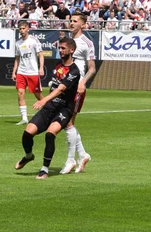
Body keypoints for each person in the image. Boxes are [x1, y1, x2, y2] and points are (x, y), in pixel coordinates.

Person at [16, 38, 81, 179]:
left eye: (64, 48)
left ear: (71, 50)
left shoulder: (75, 71)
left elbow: (61, 88)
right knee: (27, 133)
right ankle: (28, 156)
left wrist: (43, 100)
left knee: (50, 134)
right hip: (51, 106)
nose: (61, 50)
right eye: (60, 48)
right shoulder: (58, 66)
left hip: (64, 109)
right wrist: (47, 103)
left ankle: (44, 169)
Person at [61, 12, 96, 174]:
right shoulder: (66, 42)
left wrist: (82, 82)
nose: (71, 23)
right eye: (70, 20)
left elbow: (92, 68)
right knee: (67, 124)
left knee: (68, 123)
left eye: (75, 21)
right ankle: (82, 155)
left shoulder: (87, 43)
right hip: (66, 86)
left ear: (83, 24)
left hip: (77, 87)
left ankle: (71, 160)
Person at [12, 21, 45, 124]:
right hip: (21, 72)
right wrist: (14, 72)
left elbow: (41, 55)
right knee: (20, 93)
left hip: (32, 72)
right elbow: (17, 59)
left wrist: (41, 68)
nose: (21, 31)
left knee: (38, 95)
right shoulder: (18, 43)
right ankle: (24, 118)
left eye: (23, 28)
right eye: (20, 29)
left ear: (27, 29)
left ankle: (48, 111)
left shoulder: (34, 41)